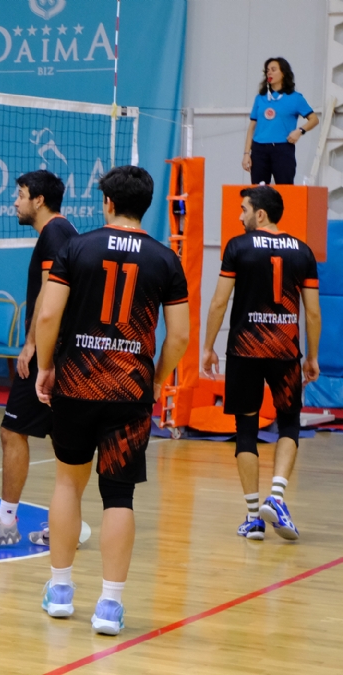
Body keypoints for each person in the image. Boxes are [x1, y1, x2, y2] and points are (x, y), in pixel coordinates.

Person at [34, 165, 189, 636]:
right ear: (146, 205)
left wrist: (45, 366)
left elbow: (47, 315)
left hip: (76, 385)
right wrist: (157, 379)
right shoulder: (166, 259)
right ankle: (110, 606)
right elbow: (180, 336)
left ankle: (61, 591)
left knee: (67, 483)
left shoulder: (75, 248)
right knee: (119, 495)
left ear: (107, 202)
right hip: (129, 391)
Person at [0, 170, 80, 547]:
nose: (15, 202)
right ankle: (69, 525)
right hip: (64, 351)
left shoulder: (55, 232)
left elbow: (49, 293)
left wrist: (32, 345)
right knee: (65, 440)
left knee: (12, 431)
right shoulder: (62, 231)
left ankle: (6, 522)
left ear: (39, 200)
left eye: (21, 194)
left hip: (51, 351)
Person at [201, 186, 320, 541]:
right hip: (285, 352)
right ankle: (277, 498)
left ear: (261, 214)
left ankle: (254, 518)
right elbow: (312, 312)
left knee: (246, 431)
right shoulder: (303, 251)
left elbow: (219, 302)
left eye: (244, 209)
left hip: (244, 351)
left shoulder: (238, 247)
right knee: (289, 425)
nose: (240, 217)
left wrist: (208, 347)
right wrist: (312, 355)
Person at [243, 57, 318, 185]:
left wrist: (300, 131)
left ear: (283, 73)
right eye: (267, 70)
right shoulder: (260, 98)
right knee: (258, 190)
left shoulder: (295, 98)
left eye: (273, 70)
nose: (269, 73)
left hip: (283, 148)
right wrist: (246, 153)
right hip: (259, 149)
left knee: (285, 187)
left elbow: (314, 119)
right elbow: (252, 127)